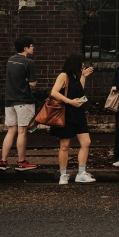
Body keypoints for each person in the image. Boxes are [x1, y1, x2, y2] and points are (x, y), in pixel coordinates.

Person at [49, 53, 96, 184]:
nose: (83, 65)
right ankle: (63, 174)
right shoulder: (63, 76)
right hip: (66, 113)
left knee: (86, 142)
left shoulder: (76, 77)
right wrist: (70, 101)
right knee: (65, 145)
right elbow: (54, 92)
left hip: (78, 113)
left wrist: (84, 77)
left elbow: (79, 91)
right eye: (81, 63)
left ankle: (81, 173)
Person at [0, 36, 38, 171]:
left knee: (11, 131)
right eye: (31, 46)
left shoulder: (10, 60)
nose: (33, 48)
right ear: (25, 48)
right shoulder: (28, 62)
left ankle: (3, 161)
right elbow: (33, 83)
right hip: (23, 100)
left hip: (9, 100)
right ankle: (21, 161)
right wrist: (27, 80)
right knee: (22, 132)